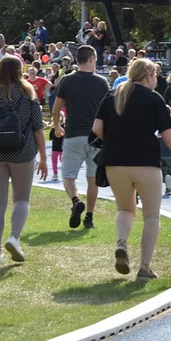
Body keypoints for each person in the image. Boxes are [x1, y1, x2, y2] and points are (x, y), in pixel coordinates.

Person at [93, 59, 171, 279]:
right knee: (151, 216)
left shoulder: (113, 94)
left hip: (114, 162)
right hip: (145, 162)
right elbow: (168, 136)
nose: (157, 79)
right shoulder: (153, 98)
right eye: (156, 75)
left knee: (125, 210)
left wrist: (114, 141)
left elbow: (97, 128)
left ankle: (122, 242)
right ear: (148, 74)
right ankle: (144, 267)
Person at [0, 56, 48, 266]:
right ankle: (14, 237)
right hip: (23, 152)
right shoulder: (28, 93)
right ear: (20, 70)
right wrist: (43, 158)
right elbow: (38, 130)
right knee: (22, 200)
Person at [53, 45, 111, 230]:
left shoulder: (66, 80)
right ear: (92, 59)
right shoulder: (102, 82)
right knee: (92, 179)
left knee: (68, 176)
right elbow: (109, 111)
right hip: (96, 136)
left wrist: (56, 126)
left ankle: (76, 200)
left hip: (73, 133)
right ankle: (89, 217)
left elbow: (56, 109)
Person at [49, 113, 64, 182]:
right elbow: (51, 137)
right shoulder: (53, 128)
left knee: (63, 161)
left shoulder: (64, 126)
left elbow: (62, 135)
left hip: (62, 149)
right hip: (55, 148)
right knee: (54, 162)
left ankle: (65, 175)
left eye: (60, 116)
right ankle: (55, 175)